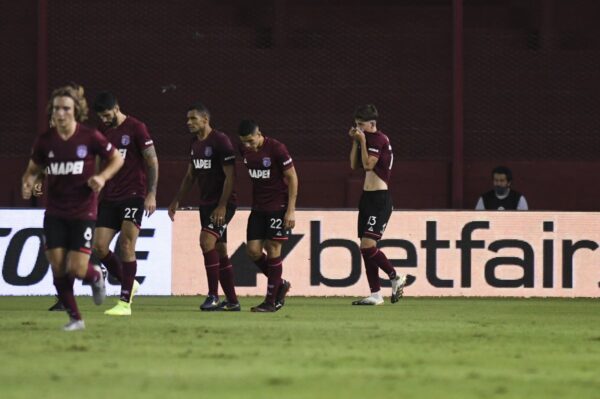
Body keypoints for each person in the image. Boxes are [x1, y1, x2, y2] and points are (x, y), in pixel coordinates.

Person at [21, 84, 124, 331]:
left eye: (66, 108)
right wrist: (28, 183)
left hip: (83, 212)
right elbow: (32, 171)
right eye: (56, 109)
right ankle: (76, 318)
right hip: (55, 213)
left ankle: (95, 276)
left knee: (76, 268)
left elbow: (116, 159)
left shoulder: (89, 137)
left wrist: (102, 178)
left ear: (75, 111)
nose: (61, 113)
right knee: (57, 266)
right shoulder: (45, 141)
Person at [89, 91, 159, 316]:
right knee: (99, 247)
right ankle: (131, 283)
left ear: (116, 107)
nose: (104, 119)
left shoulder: (136, 128)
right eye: (101, 116)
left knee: (127, 245)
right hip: (110, 197)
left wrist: (151, 194)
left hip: (134, 194)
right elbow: (99, 163)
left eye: (107, 114)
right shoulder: (103, 130)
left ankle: (124, 303)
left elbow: (152, 161)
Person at [168, 103, 240, 311]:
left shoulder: (220, 141)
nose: (188, 122)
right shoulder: (194, 143)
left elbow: (230, 176)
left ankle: (213, 296)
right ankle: (233, 301)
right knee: (220, 249)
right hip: (206, 203)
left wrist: (222, 206)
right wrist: (176, 200)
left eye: (193, 119)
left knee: (206, 241)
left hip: (223, 204)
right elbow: (191, 175)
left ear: (205, 120)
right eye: (188, 119)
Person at [348, 104, 406, 305]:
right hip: (367, 198)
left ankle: (394, 277)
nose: (358, 128)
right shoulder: (366, 139)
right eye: (356, 124)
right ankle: (375, 294)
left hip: (380, 199)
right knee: (365, 248)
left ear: (372, 124)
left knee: (367, 245)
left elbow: (368, 165)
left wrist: (362, 141)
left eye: (361, 124)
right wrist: (356, 142)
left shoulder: (379, 139)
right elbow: (354, 165)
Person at [238, 119, 297, 312]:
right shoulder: (245, 150)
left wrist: (290, 210)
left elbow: (292, 178)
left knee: (273, 248)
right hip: (258, 208)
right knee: (253, 251)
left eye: (250, 141)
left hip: (277, 206)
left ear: (258, 134)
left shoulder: (277, 149)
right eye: (243, 142)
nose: (247, 145)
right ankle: (280, 284)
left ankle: (270, 301)